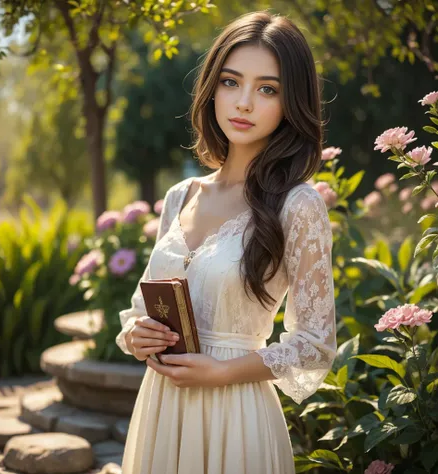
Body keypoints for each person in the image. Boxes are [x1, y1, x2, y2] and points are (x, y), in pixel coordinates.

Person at [115, 10, 337, 474]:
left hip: (236, 413)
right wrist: (138, 335)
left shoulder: (297, 205)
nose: (244, 103)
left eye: (267, 89)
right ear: (212, 88)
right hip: (160, 410)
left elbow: (316, 343)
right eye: (232, 82)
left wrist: (223, 371)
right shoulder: (181, 197)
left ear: (290, 101)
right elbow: (141, 307)